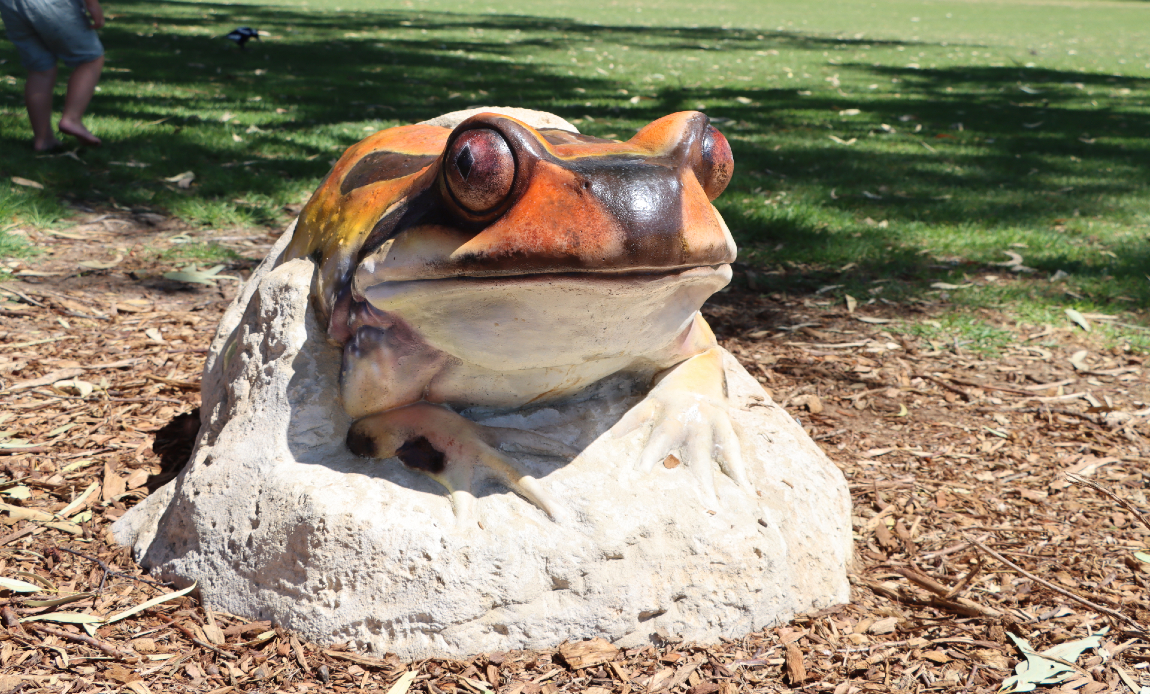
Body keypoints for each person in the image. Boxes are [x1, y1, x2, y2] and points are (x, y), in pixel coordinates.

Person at [0, 0, 105, 150]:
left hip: (11, 6)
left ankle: (44, 139)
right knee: (91, 58)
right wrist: (92, 4)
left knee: (40, 70)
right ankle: (72, 119)